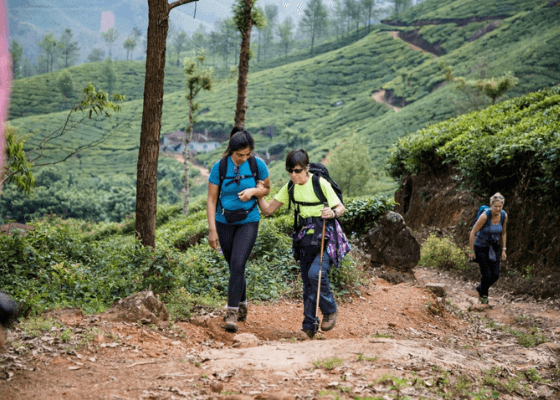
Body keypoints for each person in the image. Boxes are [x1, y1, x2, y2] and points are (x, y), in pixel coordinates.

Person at [257, 149, 350, 339]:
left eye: (297, 171)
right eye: (290, 171)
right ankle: (308, 327)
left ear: (307, 168)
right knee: (307, 282)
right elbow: (268, 210)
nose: (293, 175)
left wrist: (332, 213)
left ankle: (330, 309)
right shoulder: (290, 187)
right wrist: (257, 193)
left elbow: (341, 207)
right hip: (305, 239)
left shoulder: (319, 183)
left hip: (326, 236)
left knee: (316, 274)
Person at [207, 127, 270, 332]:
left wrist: (253, 191)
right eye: (239, 155)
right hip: (223, 221)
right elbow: (211, 199)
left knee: (237, 262)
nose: (244, 158)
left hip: (249, 220)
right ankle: (242, 303)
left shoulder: (256, 164)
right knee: (235, 266)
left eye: (247, 154)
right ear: (231, 151)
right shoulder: (220, 167)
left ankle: (231, 312)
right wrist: (212, 230)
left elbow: (267, 188)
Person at [468, 192, 508, 305]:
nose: (498, 209)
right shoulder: (485, 216)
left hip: (494, 247)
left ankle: (481, 287)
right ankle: (484, 299)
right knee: (486, 274)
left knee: (495, 275)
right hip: (480, 247)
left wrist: (504, 249)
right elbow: (473, 232)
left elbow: (504, 233)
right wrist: (471, 251)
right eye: (496, 206)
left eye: (500, 206)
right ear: (491, 205)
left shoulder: (504, 216)